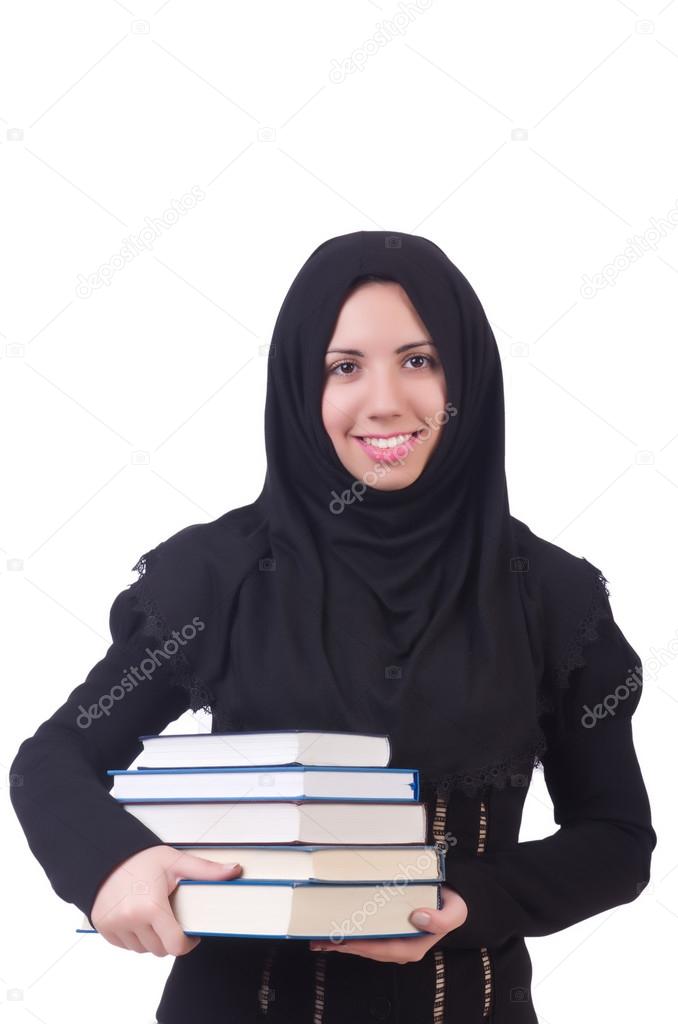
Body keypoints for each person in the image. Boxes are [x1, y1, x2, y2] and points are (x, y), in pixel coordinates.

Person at [9, 230, 656, 1024]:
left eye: (419, 360)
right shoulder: (220, 577)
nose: (385, 399)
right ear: (296, 387)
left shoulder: (549, 594)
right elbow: (56, 756)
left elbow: (617, 839)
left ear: (468, 378)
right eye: (344, 367)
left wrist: (466, 902)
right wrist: (111, 861)